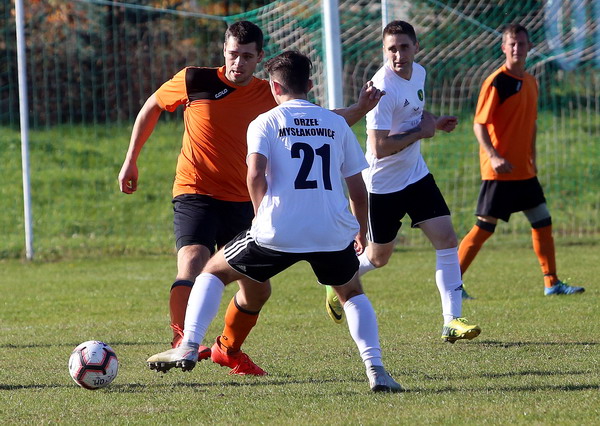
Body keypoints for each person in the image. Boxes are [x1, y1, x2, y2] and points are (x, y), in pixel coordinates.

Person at [118, 21, 383, 376]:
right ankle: (183, 343)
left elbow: (317, 120)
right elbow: (152, 106)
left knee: (257, 292)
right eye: (232, 54)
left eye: (246, 56)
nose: (237, 63)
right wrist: (131, 159)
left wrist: (360, 109)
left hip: (247, 201)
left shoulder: (269, 93)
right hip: (197, 191)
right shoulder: (195, 80)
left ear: (259, 57)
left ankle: (227, 349)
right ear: (223, 51)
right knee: (194, 261)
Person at [324, 20, 481, 343]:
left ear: (416, 47)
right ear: (384, 51)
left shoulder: (419, 73)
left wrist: (435, 122)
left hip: (416, 175)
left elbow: (414, 115)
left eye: (404, 47)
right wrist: (422, 132)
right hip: (382, 186)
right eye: (391, 49)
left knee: (447, 239)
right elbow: (379, 147)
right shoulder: (382, 88)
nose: (398, 55)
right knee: (378, 258)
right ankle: (338, 278)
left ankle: (452, 320)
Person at [457, 24, 585, 297]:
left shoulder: (531, 81)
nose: (517, 48)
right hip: (500, 171)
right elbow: (479, 124)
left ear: (529, 47)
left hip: (524, 170)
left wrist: (533, 158)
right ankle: (452, 284)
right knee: (484, 228)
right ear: (503, 47)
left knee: (543, 221)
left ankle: (551, 283)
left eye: (522, 43)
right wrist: (494, 157)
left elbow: (532, 123)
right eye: (512, 44)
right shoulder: (497, 82)